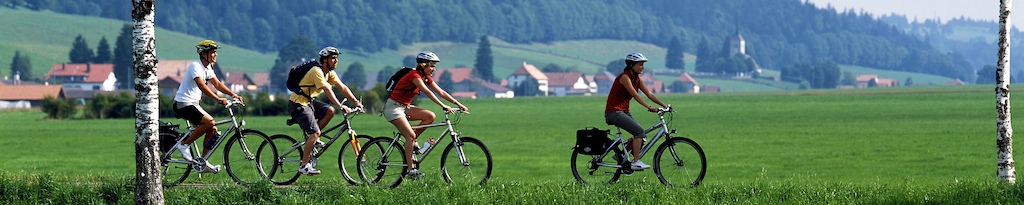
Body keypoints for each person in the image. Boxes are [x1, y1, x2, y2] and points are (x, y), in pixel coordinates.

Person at [383, 51, 468, 178]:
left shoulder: (426, 77)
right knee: (410, 135)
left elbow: (441, 92)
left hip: (405, 107)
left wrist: (458, 103)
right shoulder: (414, 75)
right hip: (393, 108)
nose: (434, 69)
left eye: (434, 66)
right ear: (423, 65)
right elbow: (428, 92)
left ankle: (410, 143)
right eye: (431, 66)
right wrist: (443, 106)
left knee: (430, 116)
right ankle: (410, 170)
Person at [288, 46, 363, 175]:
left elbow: (342, 87)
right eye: (333, 58)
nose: (336, 61)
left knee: (329, 111)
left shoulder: (330, 73)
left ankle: (314, 138)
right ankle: (304, 165)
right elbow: (327, 89)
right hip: (298, 104)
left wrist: (356, 102)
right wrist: (341, 105)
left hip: (309, 102)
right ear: (324, 60)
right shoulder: (316, 71)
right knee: (315, 132)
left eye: (337, 58)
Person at [173, 40, 243, 173]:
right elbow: (201, 85)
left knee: (213, 129)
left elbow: (217, 84)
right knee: (210, 121)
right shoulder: (196, 66)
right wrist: (217, 99)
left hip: (193, 104)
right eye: (212, 52)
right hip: (183, 103)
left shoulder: (208, 68)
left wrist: (233, 94)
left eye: (215, 52)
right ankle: (183, 144)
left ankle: (202, 162)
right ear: (203, 54)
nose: (215, 55)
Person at [605, 52, 669, 170]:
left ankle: (621, 155)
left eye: (643, 64)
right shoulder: (625, 77)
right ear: (631, 65)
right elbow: (635, 95)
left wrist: (665, 106)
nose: (643, 67)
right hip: (614, 112)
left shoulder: (637, 79)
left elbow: (649, 94)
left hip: (623, 111)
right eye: (640, 64)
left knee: (641, 134)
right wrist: (649, 107)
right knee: (639, 132)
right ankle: (635, 161)